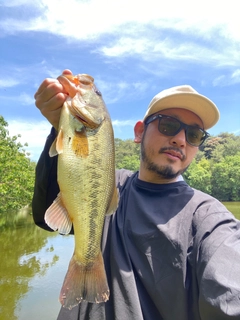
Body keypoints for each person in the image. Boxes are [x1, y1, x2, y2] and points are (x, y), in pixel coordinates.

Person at [32, 69, 240, 320]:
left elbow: (230, 296)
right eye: (169, 125)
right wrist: (60, 131)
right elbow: (44, 218)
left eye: (194, 134)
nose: (180, 140)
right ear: (139, 132)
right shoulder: (112, 183)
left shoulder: (209, 218)